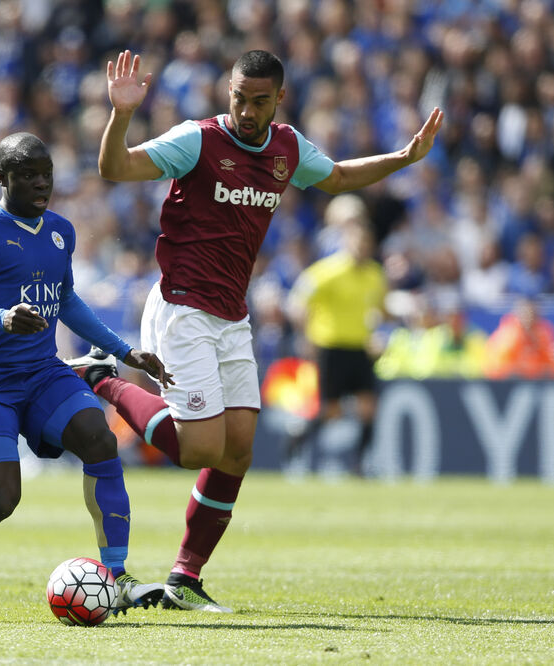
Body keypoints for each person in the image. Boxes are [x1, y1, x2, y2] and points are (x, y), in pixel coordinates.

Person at [69, 49, 443, 612]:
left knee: (237, 451)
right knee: (199, 448)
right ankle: (103, 376)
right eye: (239, 97)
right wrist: (121, 114)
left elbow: (339, 178)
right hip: (183, 307)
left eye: (259, 101)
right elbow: (115, 169)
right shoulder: (196, 140)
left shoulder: (287, 148)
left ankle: (184, 580)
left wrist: (405, 157)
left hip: (231, 314)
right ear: (229, 92)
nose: (246, 110)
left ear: (279, 100)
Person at [0, 132, 173, 620]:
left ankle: (118, 576)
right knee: (1, 500)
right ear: (1, 178)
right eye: (27, 174)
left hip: (43, 373)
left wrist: (123, 350)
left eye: (46, 173)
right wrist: (1, 317)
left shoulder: (61, 230)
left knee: (100, 442)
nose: (41, 183)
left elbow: (65, 301)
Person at [284, 217, 387, 472]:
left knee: (369, 408)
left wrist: (383, 330)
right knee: (332, 412)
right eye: (357, 241)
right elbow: (297, 302)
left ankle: (361, 464)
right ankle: (298, 438)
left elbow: (381, 309)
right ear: (346, 242)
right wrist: (306, 336)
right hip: (331, 348)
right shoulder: (327, 271)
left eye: (366, 242)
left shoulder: (375, 274)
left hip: (361, 348)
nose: (362, 246)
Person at [484, 297, 554, 379]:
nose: (529, 319)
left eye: (534, 316)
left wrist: (541, 346)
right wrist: (518, 338)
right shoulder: (507, 334)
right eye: (526, 314)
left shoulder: (544, 332)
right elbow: (495, 370)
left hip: (537, 385)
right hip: (510, 387)